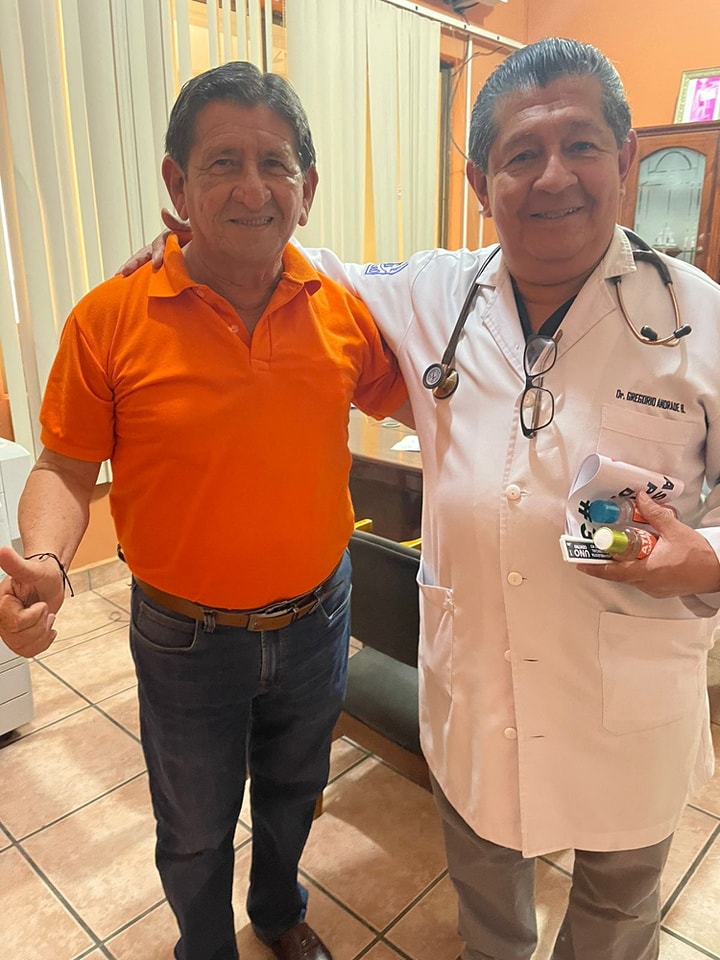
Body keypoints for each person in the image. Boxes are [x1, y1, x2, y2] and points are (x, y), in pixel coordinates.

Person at [122, 39, 720, 960]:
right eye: (521, 154)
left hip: (630, 702)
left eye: (581, 146)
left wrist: (705, 557)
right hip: (480, 692)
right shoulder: (437, 292)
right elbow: (291, 261)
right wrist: (187, 250)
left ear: (627, 157)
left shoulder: (701, 320)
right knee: (489, 909)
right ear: (481, 181)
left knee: (614, 916)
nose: (552, 177)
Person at [0, 62, 407, 960]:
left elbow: (430, 398)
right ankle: (205, 948)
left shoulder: (343, 311)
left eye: (275, 163)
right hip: (185, 637)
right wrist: (49, 560)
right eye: (223, 162)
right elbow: (64, 464)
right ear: (177, 185)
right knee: (192, 824)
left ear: (307, 188)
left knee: (295, 793)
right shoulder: (109, 317)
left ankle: (278, 911)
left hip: (318, 618)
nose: (253, 188)